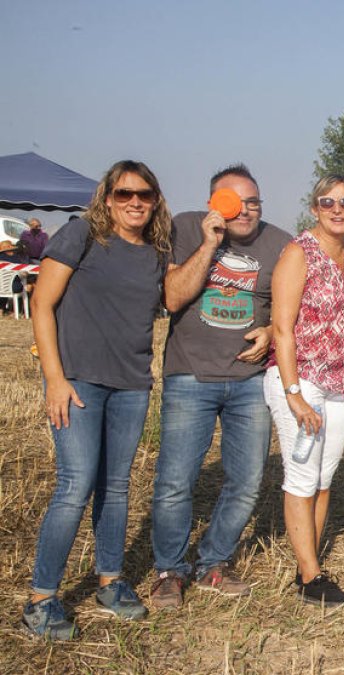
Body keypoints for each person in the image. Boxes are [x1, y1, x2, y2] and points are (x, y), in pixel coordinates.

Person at [22, 160, 172, 639]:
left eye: (144, 195)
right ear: (107, 197)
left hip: (130, 384)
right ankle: (41, 599)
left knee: (117, 485)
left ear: (155, 200)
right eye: (125, 193)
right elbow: (42, 304)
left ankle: (110, 580)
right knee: (75, 485)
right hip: (79, 382)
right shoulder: (80, 234)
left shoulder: (154, 251)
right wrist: (54, 379)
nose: (135, 202)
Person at [148, 164, 292, 609]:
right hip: (190, 375)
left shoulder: (280, 243)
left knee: (247, 481)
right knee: (175, 481)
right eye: (235, 202)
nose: (246, 211)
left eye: (254, 202)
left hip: (249, 382)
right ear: (215, 202)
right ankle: (170, 571)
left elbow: (291, 310)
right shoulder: (186, 228)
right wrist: (211, 242)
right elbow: (172, 297)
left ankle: (215, 561)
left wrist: (269, 332)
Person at [264, 175, 344, 609]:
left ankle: (308, 560)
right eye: (328, 202)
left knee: (324, 480)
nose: (337, 209)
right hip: (301, 379)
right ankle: (310, 576)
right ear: (315, 208)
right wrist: (293, 393)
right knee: (302, 479)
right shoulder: (297, 253)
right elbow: (282, 329)